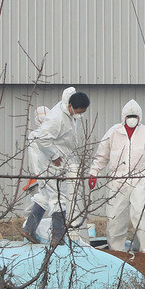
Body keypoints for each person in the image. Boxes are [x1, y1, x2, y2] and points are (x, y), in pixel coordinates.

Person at [88, 99, 145, 253]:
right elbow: (102, 155)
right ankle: (117, 250)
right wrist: (94, 172)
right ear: (124, 117)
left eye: (135, 116)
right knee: (115, 215)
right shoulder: (114, 132)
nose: (132, 119)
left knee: (142, 213)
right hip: (117, 180)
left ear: (140, 117)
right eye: (129, 116)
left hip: (139, 179)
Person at [27, 88, 89, 245]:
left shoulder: (70, 115)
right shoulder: (57, 118)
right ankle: (58, 236)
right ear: (70, 106)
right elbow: (41, 137)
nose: (79, 114)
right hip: (51, 163)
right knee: (58, 198)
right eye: (78, 111)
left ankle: (29, 228)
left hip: (60, 160)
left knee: (46, 196)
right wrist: (54, 156)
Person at [20, 105, 50, 243]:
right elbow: (35, 159)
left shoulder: (49, 135)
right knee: (38, 203)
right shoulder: (35, 136)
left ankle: (30, 230)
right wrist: (41, 175)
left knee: (40, 203)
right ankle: (29, 230)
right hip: (42, 177)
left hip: (44, 176)